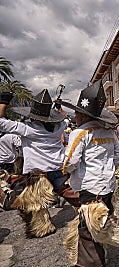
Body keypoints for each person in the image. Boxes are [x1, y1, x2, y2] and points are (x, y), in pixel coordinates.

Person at [59, 81, 119, 266]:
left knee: (94, 228)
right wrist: (103, 168)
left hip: (89, 188)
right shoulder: (108, 132)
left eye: (77, 112)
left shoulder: (79, 133)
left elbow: (69, 163)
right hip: (107, 186)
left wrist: (72, 172)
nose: (76, 116)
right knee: (97, 224)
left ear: (83, 115)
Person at [0, 89, 80, 238]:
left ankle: (43, 228)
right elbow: (65, 120)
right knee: (72, 195)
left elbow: (1, 122)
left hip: (38, 174)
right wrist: (58, 109)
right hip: (58, 168)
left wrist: (4, 101)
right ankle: (90, 211)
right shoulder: (59, 126)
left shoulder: (27, 128)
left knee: (36, 204)